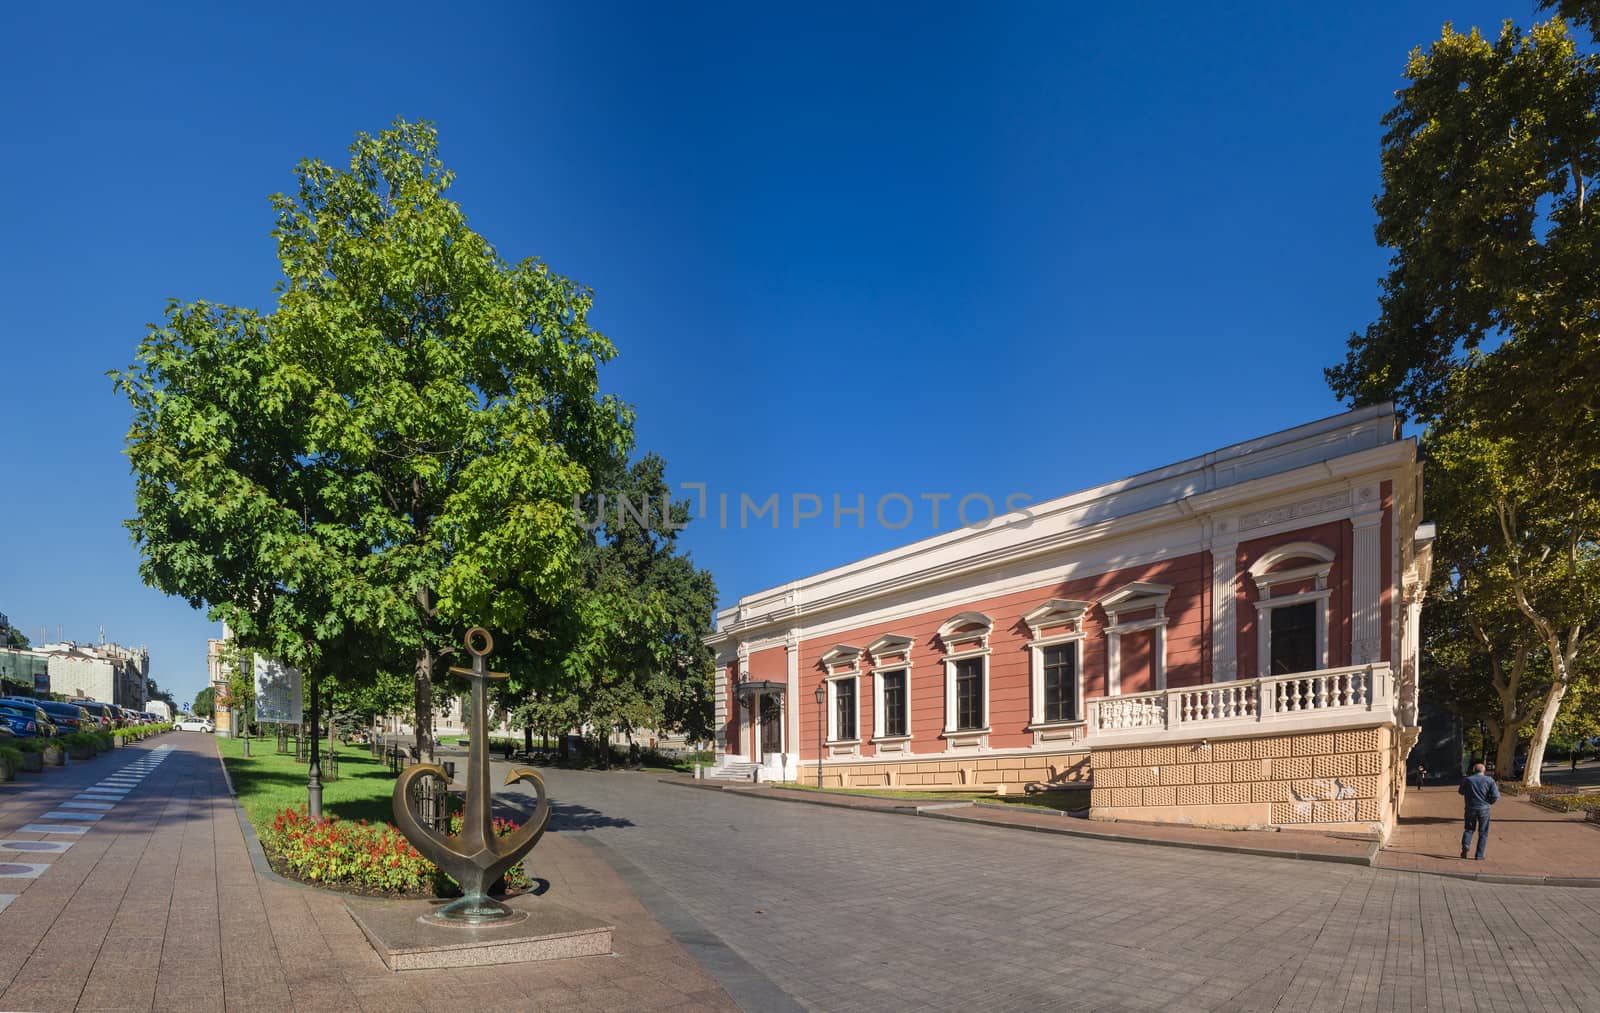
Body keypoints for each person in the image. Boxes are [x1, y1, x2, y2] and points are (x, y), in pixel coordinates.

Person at [1459, 761, 1500, 860]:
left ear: (1473, 770)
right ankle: (1479, 855)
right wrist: (1489, 802)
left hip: (1470, 808)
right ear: (1484, 770)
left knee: (1469, 829)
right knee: (1483, 832)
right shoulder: (1489, 780)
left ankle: (1466, 845)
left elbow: (1460, 791)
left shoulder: (1467, 780)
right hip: (1484, 809)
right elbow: (1496, 796)